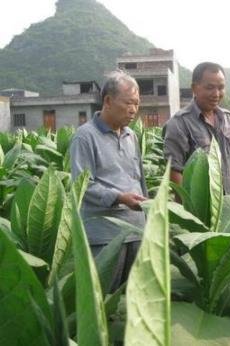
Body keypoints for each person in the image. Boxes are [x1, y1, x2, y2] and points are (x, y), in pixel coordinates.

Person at [70, 70, 148, 291]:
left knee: (132, 298)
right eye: (128, 103)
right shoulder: (85, 137)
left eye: (137, 103)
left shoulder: (131, 135)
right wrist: (119, 198)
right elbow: (83, 184)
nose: (133, 110)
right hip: (105, 236)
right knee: (103, 298)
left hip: (135, 232)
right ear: (108, 101)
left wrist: (148, 215)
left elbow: (139, 178)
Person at [163, 62, 230, 194]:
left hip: (229, 206)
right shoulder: (178, 124)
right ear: (194, 88)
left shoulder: (229, 120)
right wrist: (190, 209)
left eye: (221, 88)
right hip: (200, 209)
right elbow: (175, 172)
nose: (216, 94)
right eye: (210, 87)